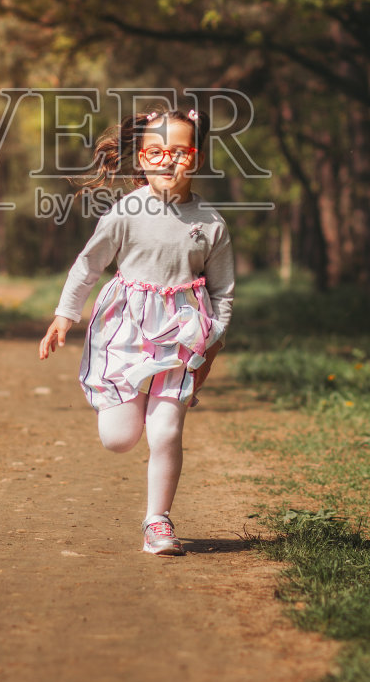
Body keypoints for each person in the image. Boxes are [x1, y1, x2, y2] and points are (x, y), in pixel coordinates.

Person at [38, 103, 236, 556]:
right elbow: (88, 268)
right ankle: (130, 402)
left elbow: (223, 294)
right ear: (143, 160)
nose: (169, 160)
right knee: (120, 438)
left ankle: (158, 521)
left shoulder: (211, 223)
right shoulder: (126, 212)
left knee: (165, 430)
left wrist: (211, 343)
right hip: (125, 329)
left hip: (183, 336)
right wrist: (63, 317)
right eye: (158, 152)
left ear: (197, 159)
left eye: (181, 152)